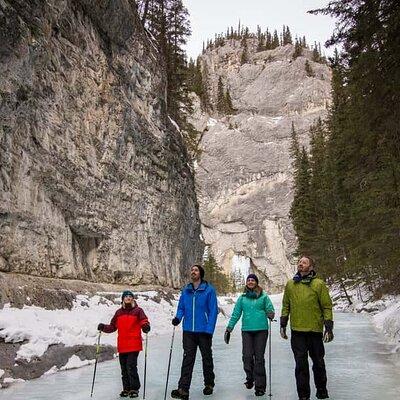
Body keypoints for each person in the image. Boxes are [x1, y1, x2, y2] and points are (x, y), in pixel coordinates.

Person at [280, 256, 334, 400]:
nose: (300, 264)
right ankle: (303, 396)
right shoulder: (291, 284)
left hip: (314, 330)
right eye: (299, 262)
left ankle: (321, 390)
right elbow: (286, 305)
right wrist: (283, 323)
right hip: (297, 331)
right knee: (300, 365)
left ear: (310, 267)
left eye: (304, 262)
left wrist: (328, 326)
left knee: (318, 363)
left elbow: (327, 306)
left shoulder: (319, 284)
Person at [170, 264, 218, 400]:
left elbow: (213, 311)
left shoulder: (209, 290)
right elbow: (181, 308)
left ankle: (209, 384)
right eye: (191, 270)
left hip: (204, 330)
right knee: (187, 359)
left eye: (196, 270)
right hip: (188, 331)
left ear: (200, 273)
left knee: (206, 358)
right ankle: (183, 389)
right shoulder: (186, 291)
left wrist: (209, 329)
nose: (193, 272)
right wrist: (178, 318)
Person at [224, 273, 275, 397]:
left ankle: (260, 387)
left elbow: (270, 309)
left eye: (253, 280)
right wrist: (229, 328)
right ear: (246, 283)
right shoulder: (242, 298)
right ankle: (250, 377)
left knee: (259, 358)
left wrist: (270, 313)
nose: (250, 282)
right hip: (247, 330)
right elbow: (236, 314)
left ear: (256, 282)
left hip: (261, 330)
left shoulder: (263, 296)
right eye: (249, 280)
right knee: (246, 356)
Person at [97, 290, 150, 399]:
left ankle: (134, 389)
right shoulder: (118, 313)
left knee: (131, 366)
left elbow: (144, 320)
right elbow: (112, 327)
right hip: (122, 345)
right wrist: (103, 327)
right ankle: (126, 388)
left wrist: (145, 326)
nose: (128, 298)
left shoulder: (138, 311)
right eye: (126, 296)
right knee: (124, 368)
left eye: (130, 296)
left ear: (133, 299)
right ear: (123, 299)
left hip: (134, 344)